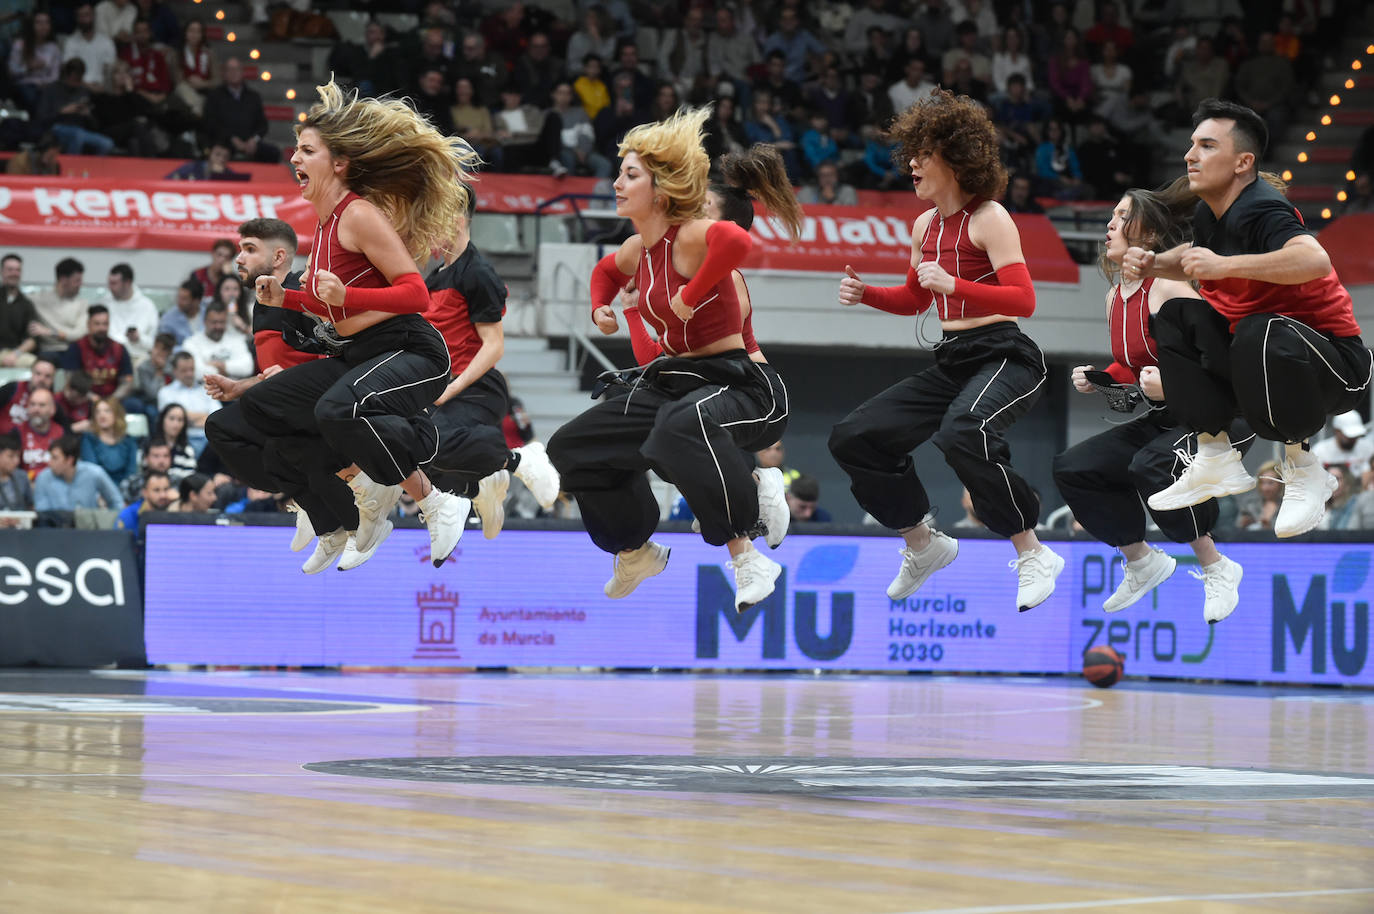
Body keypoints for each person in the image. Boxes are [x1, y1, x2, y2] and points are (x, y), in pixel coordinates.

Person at [548, 109, 802, 611]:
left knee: (678, 428)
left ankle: (746, 552)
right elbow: (604, 271)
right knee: (571, 447)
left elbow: (736, 240)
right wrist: (602, 307)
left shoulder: (690, 237)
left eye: (630, 174)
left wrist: (694, 293)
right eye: (621, 172)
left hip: (742, 383)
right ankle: (634, 548)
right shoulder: (637, 249)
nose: (616, 182)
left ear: (662, 189)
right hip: (676, 381)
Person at [828, 89, 1064, 613]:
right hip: (953, 358)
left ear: (956, 158)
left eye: (923, 152)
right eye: (910, 152)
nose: (911, 162)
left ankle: (1032, 551)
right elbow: (916, 297)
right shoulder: (924, 226)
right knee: (854, 437)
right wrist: (867, 294)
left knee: (963, 432)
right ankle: (923, 544)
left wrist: (956, 286)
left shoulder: (991, 217)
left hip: (1005, 354)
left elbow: (1023, 299)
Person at [236, 81, 476, 572]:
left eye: (306, 151)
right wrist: (289, 298)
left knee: (336, 408)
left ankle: (435, 501)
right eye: (295, 150)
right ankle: (353, 502)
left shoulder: (358, 214)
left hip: (412, 351)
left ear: (338, 163)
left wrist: (346, 296)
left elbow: (415, 293)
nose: (294, 159)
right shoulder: (323, 226)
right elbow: (332, 309)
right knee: (269, 408)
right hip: (362, 355)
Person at [1126, 99, 1371, 537]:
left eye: (1206, 145)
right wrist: (1153, 264)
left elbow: (1313, 259)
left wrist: (1225, 267)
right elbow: (1197, 257)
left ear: (1243, 162)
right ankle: (1215, 453)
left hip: (1337, 367)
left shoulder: (1263, 207)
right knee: (1177, 315)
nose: (1190, 155)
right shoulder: (1210, 212)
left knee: (1261, 325)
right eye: (1191, 145)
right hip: (1259, 362)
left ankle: (1305, 467)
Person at [1053, 183, 1248, 624]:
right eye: (1113, 215)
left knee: (1151, 465)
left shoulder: (1169, 290)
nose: (1109, 224)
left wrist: (1175, 383)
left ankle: (1216, 566)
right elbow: (1132, 364)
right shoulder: (1113, 297)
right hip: (1167, 417)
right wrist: (1101, 377)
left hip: (1217, 418)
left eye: (1121, 216)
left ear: (1147, 234)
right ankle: (1141, 561)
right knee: (1073, 468)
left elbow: (1220, 361)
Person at [608, 150, 796, 548]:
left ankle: (758, 486)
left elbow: (721, 355)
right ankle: (725, 499)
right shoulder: (673, 268)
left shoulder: (726, 277)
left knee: (677, 434)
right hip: (710, 387)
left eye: (703, 206)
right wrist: (631, 312)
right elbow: (655, 362)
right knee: (659, 447)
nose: (690, 210)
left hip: (753, 388)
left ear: (722, 224)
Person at [416, 200, 561, 545]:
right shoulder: (434, 276)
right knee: (411, 448)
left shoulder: (477, 272)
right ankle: (482, 488)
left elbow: (493, 346)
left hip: (475, 387)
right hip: (441, 389)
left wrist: (450, 389)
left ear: (458, 216)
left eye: (434, 211)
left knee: (429, 440)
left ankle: (519, 458)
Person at [34, 432, 123, 513]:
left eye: (55, 458)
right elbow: (42, 513)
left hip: (88, 529)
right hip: (54, 529)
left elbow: (116, 502)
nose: (49, 462)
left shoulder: (95, 473)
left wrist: (113, 524)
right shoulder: (43, 478)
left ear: (69, 460)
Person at [61, 305, 134, 402]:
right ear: (88, 325)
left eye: (105, 324)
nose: (102, 328)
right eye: (97, 324)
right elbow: (71, 380)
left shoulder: (119, 349)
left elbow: (127, 382)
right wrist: (94, 399)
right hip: (84, 399)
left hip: (114, 400)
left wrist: (112, 400)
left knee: (135, 404)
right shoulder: (76, 348)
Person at [97, 263, 159, 361]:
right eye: (109, 283)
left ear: (128, 282)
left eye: (114, 283)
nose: (110, 287)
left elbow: (153, 343)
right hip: (108, 356)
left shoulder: (147, 306)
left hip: (137, 356)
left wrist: (138, 338)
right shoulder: (104, 303)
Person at [179, 300, 253, 380]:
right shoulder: (191, 343)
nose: (218, 326)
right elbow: (198, 372)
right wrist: (229, 370)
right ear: (205, 322)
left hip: (236, 390)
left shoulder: (236, 340)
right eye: (214, 322)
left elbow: (248, 367)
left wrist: (220, 365)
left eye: (221, 322)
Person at [80, 396, 140, 486]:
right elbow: (92, 472)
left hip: (125, 491)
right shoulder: (89, 439)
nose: (102, 415)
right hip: (99, 491)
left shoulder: (129, 441)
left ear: (116, 414)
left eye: (107, 411)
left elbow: (131, 472)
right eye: (98, 412)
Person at [0, 253, 40, 368]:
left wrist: (15, 354)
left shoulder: (26, 304)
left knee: (39, 366)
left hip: (15, 354)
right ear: (2, 272)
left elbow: (32, 339)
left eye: (17, 270)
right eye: (10, 270)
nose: (14, 273)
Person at [1311, 411, 1374, 478]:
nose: (1353, 439)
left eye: (1356, 435)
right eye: (1349, 436)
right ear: (1337, 431)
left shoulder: (1368, 448)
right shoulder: (1321, 451)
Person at [154, 403, 197, 482]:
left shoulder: (187, 450)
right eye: (171, 418)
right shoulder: (150, 445)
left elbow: (189, 481)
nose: (176, 424)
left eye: (180, 420)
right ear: (162, 419)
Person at [0, 433, 34, 515]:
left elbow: (31, 506)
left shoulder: (22, 476)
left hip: (21, 524)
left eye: (18, 456)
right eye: (11, 456)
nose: (17, 461)